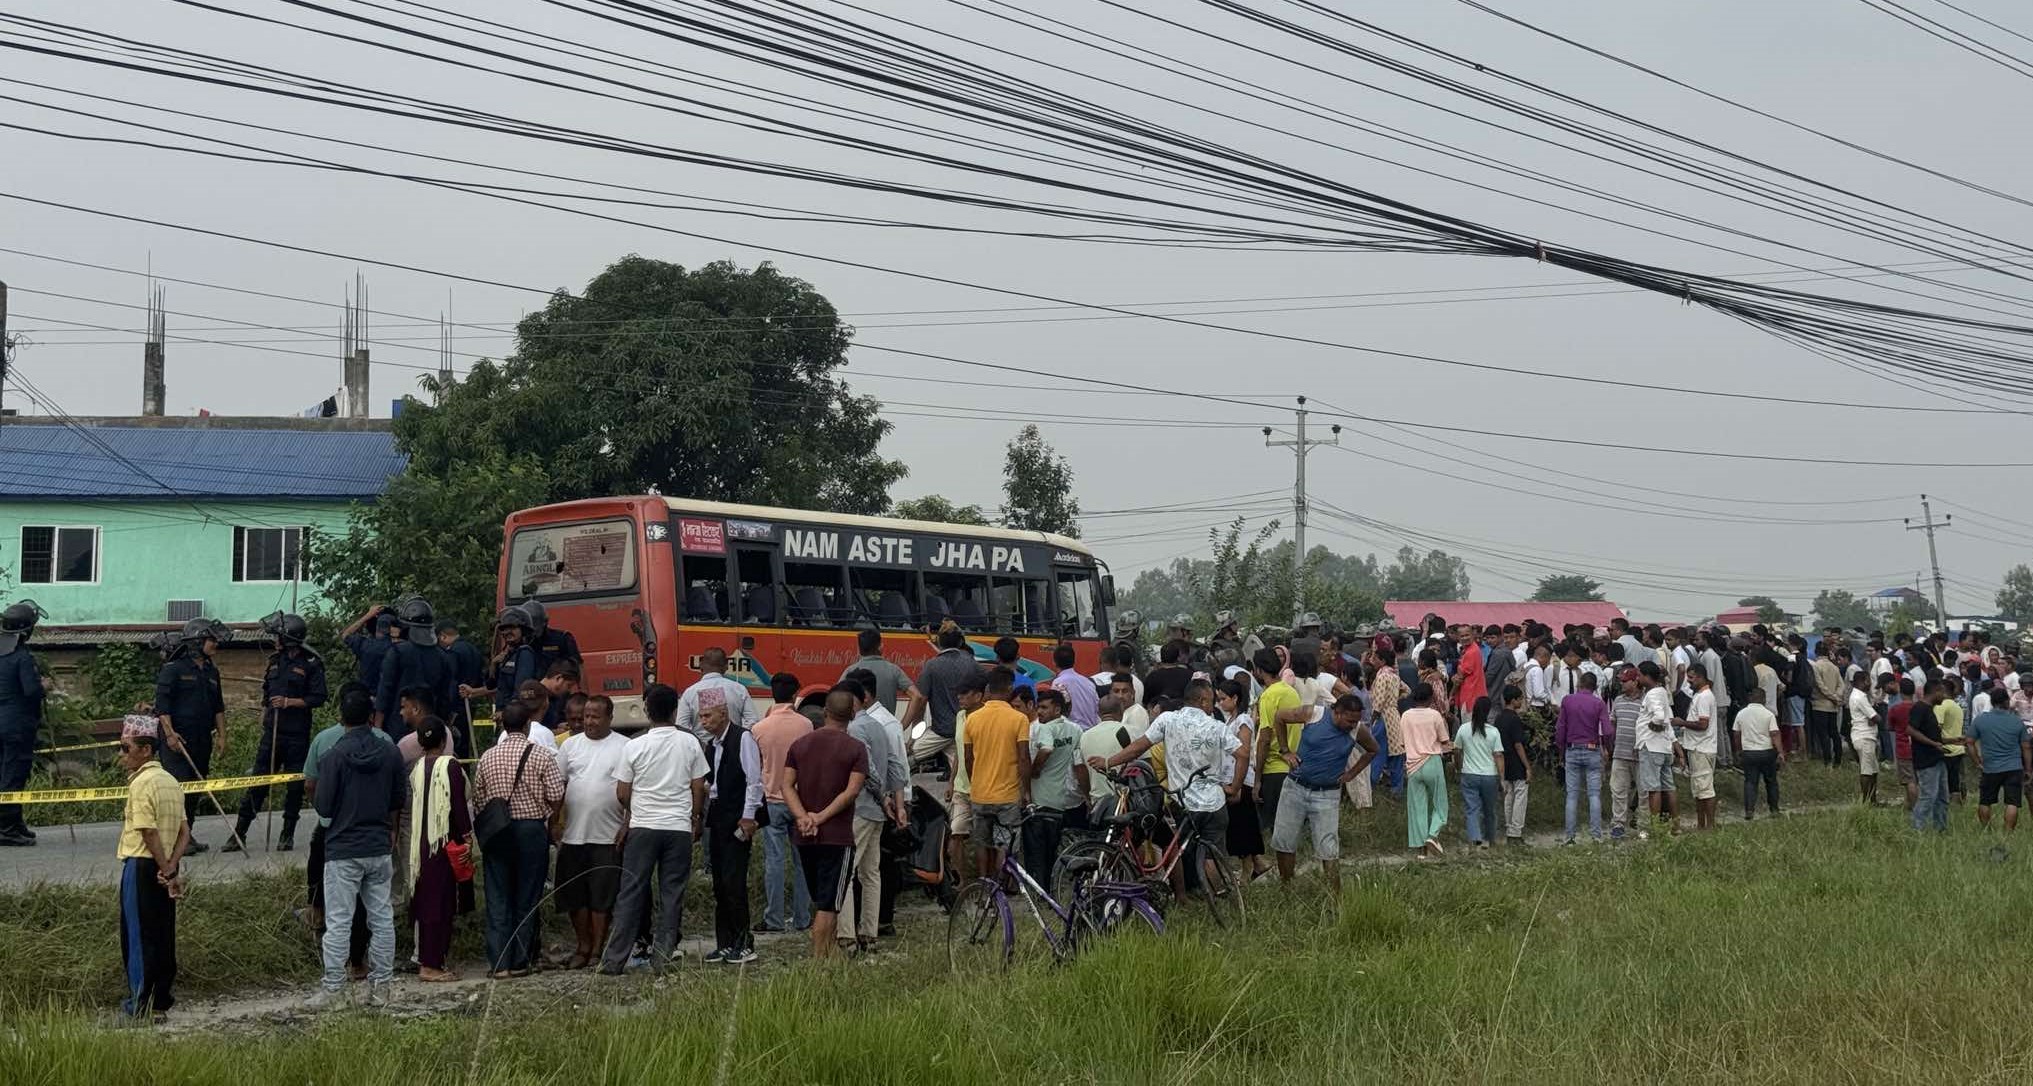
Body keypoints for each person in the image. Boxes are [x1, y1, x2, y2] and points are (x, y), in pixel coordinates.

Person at [1092, 680, 1245, 899]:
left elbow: (1138, 748)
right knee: (1211, 853)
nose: (1214, 707)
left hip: (1182, 803)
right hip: (1214, 802)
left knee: (1173, 849)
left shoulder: (1167, 720)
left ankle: (1179, 895)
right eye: (1211, 701)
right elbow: (1243, 754)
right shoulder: (1216, 727)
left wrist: (1109, 762)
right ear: (1202, 701)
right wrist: (1235, 787)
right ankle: (1220, 897)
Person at [305, 686, 406, 1010]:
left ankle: (333, 991)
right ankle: (382, 989)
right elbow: (397, 798)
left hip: (342, 848)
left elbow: (323, 805)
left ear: (340, 716)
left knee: (338, 921)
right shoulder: (390, 751)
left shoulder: (332, 755)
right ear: (371, 717)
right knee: (381, 918)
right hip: (378, 847)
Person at [600, 684, 706, 974]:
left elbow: (622, 792)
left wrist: (636, 810)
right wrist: (695, 818)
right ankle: (663, 957)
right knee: (672, 894)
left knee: (631, 891)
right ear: (675, 711)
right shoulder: (690, 743)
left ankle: (614, 960)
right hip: (678, 828)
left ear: (647, 710)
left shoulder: (634, 745)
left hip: (643, 826)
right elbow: (699, 787)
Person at [476, 701, 565, 978]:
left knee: (498, 894)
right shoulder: (541, 755)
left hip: (497, 832)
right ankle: (520, 961)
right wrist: (552, 819)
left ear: (503, 725)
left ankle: (499, 963)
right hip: (530, 830)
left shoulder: (487, 757)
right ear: (527, 726)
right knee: (527, 895)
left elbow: (479, 798)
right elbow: (556, 793)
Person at [225, 614, 327, 853]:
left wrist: (290, 702)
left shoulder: (311, 663)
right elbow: (265, 695)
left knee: (293, 785)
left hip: (296, 734)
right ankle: (239, 833)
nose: (275, 640)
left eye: (278, 636)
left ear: (289, 637)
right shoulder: (274, 661)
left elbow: (318, 698)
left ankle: (287, 834)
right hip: (272, 733)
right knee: (258, 781)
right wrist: (265, 717)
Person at [783, 690, 869, 960]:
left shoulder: (800, 745)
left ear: (825, 713)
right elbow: (851, 792)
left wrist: (802, 817)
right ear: (852, 715)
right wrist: (820, 817)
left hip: (804, 835)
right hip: (837, 836)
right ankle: (821, 962)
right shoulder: (855, 748)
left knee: (818, 898)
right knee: (829, 904)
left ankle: (828, 955)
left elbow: (786, 785)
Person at [114, 713, 188, 1022]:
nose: (121, 755)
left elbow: (148, 831)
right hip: (164, 866)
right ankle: (160, 1000)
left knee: (139, 936)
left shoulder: (142, 783)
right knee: (162, 934)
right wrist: (171, 868)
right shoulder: (170, 781)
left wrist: (162, 866)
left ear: (145, 750)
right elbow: (185, 833)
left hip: (143, 866)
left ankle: (140, 1004)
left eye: (125, 748)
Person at [556, 694, 629, 970]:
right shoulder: (570, 746)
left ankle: (598, 949)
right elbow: (558, 788)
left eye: (595, 716)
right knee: (575, 896)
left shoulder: (624, 746)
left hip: (608, 835)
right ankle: (582, 945)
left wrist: (627, 824)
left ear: (610, 718)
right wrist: (555, 823)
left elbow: (632, 790)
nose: (589, 721)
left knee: (602, 898)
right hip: (574, 835)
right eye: (586, 716)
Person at [697, 688, 764, 965]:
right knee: (720, 884)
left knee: (734, 882)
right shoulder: (713, 744)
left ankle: (743, 942)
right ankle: (725, 943)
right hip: (719, 817)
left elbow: (754, 781)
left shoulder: (742, 738)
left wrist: (748, 816)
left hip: (738, 818)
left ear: (723, 713)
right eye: (701, 716)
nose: (703, 721)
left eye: (708, 715)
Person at [404, 717, 472, 983]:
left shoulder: (417, 766)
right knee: (439, 904)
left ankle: (431, 960)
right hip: (443, 842)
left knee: (426, 901)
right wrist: (467, 837)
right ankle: (430, 965)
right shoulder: (450, 765)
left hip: (422, 844)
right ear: (444, 741)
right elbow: (458, 803)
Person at [153, 618, 227, 852]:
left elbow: (219, 707)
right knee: (178, 789)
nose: (215, 644)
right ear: (197, 641)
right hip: (177, 740)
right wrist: (170, 734)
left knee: (195, 789)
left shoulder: (211, 671)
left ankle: (187, 836)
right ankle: (174, 839)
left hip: (201, 739)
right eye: (211, 639)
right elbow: (162, 706)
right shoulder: (173, 669)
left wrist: (223, 736)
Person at [752, 673, 814, 934]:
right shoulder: (806, 725)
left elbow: (756, 767)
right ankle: (802, 918)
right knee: (802, 863)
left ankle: (774, 918)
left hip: (772, 801)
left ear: (771, 693)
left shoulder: (759, 729)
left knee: (774, 862)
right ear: (795, 694)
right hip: (799, 801)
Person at [961, 667, 1029, 878]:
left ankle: (984, 884)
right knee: (1004, 844)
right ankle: (1002, 884)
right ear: (1009, 689)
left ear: (988, 688)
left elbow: (968, 758)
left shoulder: (972, 719)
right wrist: (1026, 791)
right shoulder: (1019, 719)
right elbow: (1024, 758)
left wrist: (976, 781)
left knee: (982, 843)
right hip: (1008, 795)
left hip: (980, 794)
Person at [1021, 688, 1087, 889]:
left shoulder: (1040, 729)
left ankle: (1038, 891)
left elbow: (1046, 749)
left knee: (1035, 851)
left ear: (1057, 709)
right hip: (1059, 801)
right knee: (1050, 851)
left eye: (1044, 707)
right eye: (1039, 707)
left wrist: (1034, 770)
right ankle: (1049, 889)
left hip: (1038, 800)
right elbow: (1078, 765)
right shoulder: (1075, 730)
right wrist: (1086, 794)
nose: (1039, 712)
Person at [0, 599, 47, 847]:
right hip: (16, 725)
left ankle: (15, 823)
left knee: (3, 773)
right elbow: (31, 692)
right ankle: (7, 828)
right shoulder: (21, 657)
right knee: (14, 776)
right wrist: (44, 688)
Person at [375, 597, 453, 740]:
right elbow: (445, 699)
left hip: (397, 727)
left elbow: (384, 691)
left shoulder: (397, 652)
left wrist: (377, 727)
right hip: (431, 730)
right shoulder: (442, 657)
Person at [1215, 679, 1267, 879]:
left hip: (1240, 778)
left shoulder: (1243, 721)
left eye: (1223, 699)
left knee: (1240, 825)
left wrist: (1237, 784)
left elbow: (1243, 751)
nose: (1220, 703)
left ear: (1235, 699)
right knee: (1242, 823)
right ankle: (1256, 863)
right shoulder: (1229, 721)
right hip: (1230, 777)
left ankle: (1247, 869)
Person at [1250, 649, 1303, 843]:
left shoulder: (1268, 696)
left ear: (1259, 670)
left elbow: (1264, 738)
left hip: (1273, 767)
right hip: (1294, 764)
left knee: (1271, 826)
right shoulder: (1291, 691)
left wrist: (1257, 780)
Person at [903, 623, 976, 760]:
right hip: (966, 730)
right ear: (960, 642)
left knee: (907, 758)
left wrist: (914, 737)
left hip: (940, 733)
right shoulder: (971, 663)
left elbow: (921, 702)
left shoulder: (931, 666)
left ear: (940, 642)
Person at [1556, 672, 1611, 844]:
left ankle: (1570, 837)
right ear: (1595, 687)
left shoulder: (1567, 701)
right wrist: (1607, 748)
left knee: (1572, 795)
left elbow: (1560, 729)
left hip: (1572, 749)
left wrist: (1561, 751)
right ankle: (1596, 835)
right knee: (1594, 794)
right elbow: (1608, 730)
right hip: (1592, 749)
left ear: (1579, 683)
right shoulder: (1599, 704)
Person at [1401, 683, 1452, 858]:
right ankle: (1433, 835)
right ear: (1431, 698)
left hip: (1413, 764)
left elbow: (1402, 742)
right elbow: (1444, 740)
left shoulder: (1406, 716)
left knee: (1417, 807)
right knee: (1440, 803)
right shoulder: (1435, 715)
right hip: (1432, 761)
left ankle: (1421, 851)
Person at [463, 606, 542, 718]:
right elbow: (491, 685)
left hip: (515, 717)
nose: (507, 632)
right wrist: (493, 665)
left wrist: (508, 713)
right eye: (504, 628)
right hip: (505, 715)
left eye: (512, 628)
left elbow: (521, 690)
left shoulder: (525, 654)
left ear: (523, 630)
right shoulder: (507, 656)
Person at [1969, 695, 2030, 831]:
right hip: (2014, 767)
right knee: (2012, 802)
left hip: (1990, 767)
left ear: (1992, 702)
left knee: (1985, 801)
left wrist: (1976, 761)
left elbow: (1969, 742)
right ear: (2007, 702)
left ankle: (1986, 830)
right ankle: (2008, 831)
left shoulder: (1981, 720)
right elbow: (2026, 746)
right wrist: (2028, 769)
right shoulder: (2016, 721)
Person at [1634, 662, 1680, 839]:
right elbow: (1668, 719)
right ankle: (1675, 826)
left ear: (1647, 676)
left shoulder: (1652, 694)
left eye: (1639, 675)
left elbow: (1660, 717)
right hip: (1664, 746)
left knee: (1653, 789)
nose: (1638, 678)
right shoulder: (1662, 693)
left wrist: (1653, 724)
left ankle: (1656, 829)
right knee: (1668, 787)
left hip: (1651, 746)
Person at [1455, 697, 1503, 848]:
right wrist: (1502, 778)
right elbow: (1498, 756)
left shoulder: (1463, 729)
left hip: (1469, 774)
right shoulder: (1493, 732)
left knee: (1472, 809)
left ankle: (1475, 838)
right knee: (1489, 809)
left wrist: (1459, 767)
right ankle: (1490, 839)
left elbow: (1457, 750)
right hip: (1489, 775)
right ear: (1488, 712)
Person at [1676, 664, 1720, 832]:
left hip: (1702, 747)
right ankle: (1702, 823)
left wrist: (1682, 722)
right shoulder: (1700, 696)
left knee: (1705, 789)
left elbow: (1703, 724)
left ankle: (1709, 825)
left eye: (1691, 677)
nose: (1688, 681)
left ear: (1701, 677)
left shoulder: (1704, 697)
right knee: (1699, 789)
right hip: (1697, 747)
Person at [841, 627, 919, 714]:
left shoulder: (850, 671)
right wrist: (902, 725)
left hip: (857, 726)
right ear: (880, 647)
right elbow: (916, 695)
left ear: (859, 649)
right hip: (886, 726)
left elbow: (836, 698)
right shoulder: (893, 670)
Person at [1608, 669, 1645, 839]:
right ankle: (1618, 823)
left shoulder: (1646, 701)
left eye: (1625, 681)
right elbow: (1613, 723)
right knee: (1618, 790)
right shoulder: (1618, 700)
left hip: (1641, 754)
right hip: (1620, 752)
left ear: (1635, 682)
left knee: (1644, 791)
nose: (1621, 684)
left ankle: (1643, 824)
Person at [1493, 686, 1532, 843]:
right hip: (1516, 760)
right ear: (1514, 700)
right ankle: (1516, 831)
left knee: (1509, 796)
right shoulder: (1515, 719)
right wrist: (1527, 766)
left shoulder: (1499, 718)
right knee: (1520, 796)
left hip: (1504, 760)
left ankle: (1510, 828)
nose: (1521, 702)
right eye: (1520, 699)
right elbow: (1518, 744)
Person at [1909, 682, 1950, 832]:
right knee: (1928, 796)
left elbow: (1931, 735)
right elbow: (1910, 730)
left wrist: (1952, 740)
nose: (1944, 697)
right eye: (1943, 693)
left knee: (1942, 797)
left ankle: (1941, 828)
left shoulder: (1930, 710)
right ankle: (1916, 828)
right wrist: (1933, 743)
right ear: (1935, 691)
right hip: (1926, 761)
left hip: (1937, 759)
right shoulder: (1920, 708)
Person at [1734, 696, 1782, 820]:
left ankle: (1749, 810)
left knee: (1750, 782)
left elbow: (1736, 734)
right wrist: (1780, 752)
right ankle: (1774, 809)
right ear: (1764, 700)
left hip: (1749, 752)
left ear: (1750, 700)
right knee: (1771, 782)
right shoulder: (1769, 714)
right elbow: (1774, 734)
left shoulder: (1741, 713)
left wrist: (1739, 750)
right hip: (1767, 752)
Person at [342, 605, 396, 694]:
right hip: (394, 699)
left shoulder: (365, 646)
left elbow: (346, 634)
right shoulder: (401, 647)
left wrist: (368, 615)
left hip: (368, 698)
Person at [519, 599, 582, 674]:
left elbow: (578, 666)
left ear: (544, 622)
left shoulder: (562, 639)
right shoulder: (518, 643)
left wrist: (583, 686)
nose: (531, 633)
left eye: (535, 629)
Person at [1810, 641, 1846, 768]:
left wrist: (1831, 696)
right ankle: (1838, 760)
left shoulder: (1815, 666)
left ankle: (1828, 761)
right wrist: (1836, 697)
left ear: (1816, 652)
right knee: (1834, 733)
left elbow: (1820, 686)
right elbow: (1841, 685)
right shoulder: (1834, 667)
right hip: (1833, 706)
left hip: (1819, 704)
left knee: (1823, 734)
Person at [1847, 672, 1881, 806]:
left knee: (1873, 770)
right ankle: (1867, 801)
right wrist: (1878, 717)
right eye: (1869, 681)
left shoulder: (1860, 696)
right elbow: (1876, 718)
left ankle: (1872, 800)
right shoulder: (1859, 697)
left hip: (1867, 736)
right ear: (1864, 681)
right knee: (1866, 770)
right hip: (1864, 736)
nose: (1870, 684)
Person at [1049, 644, 1099, 729]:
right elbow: (1097, 709)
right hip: (1091, 733)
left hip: (1071, 735)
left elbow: (1055, 712)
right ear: (1074, 661)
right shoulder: (1088, 683)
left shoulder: (1058, 683)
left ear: (1054, 662)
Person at [1936, 680, 1969, 805]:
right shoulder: (1957, 706)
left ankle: (1949, 804)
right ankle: (1958, 804)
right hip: (1957, 748)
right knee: (1955, 779)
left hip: (1946, 748)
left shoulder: (1942, 706)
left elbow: (1937, 728)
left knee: (1945, 780)